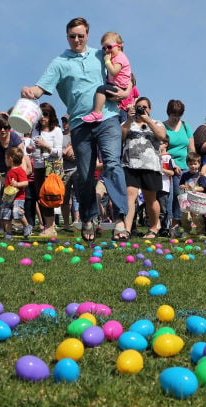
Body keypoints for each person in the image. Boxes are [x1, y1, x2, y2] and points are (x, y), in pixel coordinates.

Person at [21, 17, 129, 242]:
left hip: (108, 117)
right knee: (86, 174)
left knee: (112, 163)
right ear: (67, 37)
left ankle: (120, 218)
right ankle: (88, 218)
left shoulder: (102, 54)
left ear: (87, 35)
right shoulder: (60, 62)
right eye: (73, 36)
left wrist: (126, 93)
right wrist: (29, 89)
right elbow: (40, 88)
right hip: (80, 123)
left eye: (81, 35)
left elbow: (127, 74)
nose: (77, 39)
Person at [121, 97, 166, 240]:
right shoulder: (127, 123)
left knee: (150, 198)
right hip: (130, 165)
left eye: (144, 107)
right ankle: (127, 230)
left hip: (151, 166)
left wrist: (148, 121)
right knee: (130, 196)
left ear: (150, 109)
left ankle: (153, 228)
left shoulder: (157, 123)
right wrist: (128, 119)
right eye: (138, 107)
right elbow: (121, 137)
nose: (142, 109)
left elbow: (161, 136)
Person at [0, 113, 26, 234]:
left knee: (12, 201)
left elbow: (21, 160)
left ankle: (16, 227)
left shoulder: (15, 139)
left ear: (10, 127)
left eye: (6, 127)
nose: (3, 130)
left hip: (13, 172)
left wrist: (19, 178)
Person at [81, 31, 132, 123]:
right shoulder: (116, 57)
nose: (106, 50)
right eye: (104, 48)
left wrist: (107, 61)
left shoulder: (120, 58)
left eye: (109, 47)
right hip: (116, 84)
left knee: (101, 89)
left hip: (118, 87)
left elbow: (114, 72)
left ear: (119, 46)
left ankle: (97, 113)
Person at [31, 102, 63, 236]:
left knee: (48, 196)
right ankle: (49, 226)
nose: (43, 117)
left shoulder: (56, 130)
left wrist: (46, 146)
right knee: (41, 197)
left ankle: (50, 227)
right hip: (38, 166)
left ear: (51, 116)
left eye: (46, 114)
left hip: (51, 168)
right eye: (40, 114)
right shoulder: (35, 129)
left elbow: (59, 152)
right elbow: (33, 148)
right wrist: (30, 148)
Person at [163, 99, 195, 237]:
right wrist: (172, 164)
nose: (176, 118)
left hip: (186, 167)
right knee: (174, 197)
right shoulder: (162, 127)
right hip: (171, 167)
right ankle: (173, 224)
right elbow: (162, 148)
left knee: (184, 198)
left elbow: (191, 147)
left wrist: (193, 163)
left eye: (179, 115)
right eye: (173, 115)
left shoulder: (186, 126)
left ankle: (182, 224)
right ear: (168, 113)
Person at [1, 147, 32, 240]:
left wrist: (17, 184)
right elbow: (5, 183)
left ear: (10, 158)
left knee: (17, 212)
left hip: (18, 197)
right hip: (8, 198)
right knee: (5, 215)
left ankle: (27, 226)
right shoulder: (9, 171)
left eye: (6, 158)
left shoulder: (20, 170)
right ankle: (9, 233)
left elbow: (26, 182)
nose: (5, 160)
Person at [179, 152, 206, 236]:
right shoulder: (185, 175)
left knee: (197, 215)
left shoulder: (200, 175)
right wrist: (183, 186)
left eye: (195, 164)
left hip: (197, 199)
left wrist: (194, 188)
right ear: (187, 164)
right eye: (190, 164)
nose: (193, 166)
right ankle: (186, 230)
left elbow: (203, 188)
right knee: (185, 215)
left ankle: (200, 231)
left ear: (199, 164)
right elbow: (181, 185)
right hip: (186, 198)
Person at [60, 116, 81, 232]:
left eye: (67, 121)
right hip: (64, 170)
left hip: (77, 169)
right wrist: (66, 152)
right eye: (63, 121)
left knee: (80, 197)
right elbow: (58, 151)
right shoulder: (60, 135)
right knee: (64, 199)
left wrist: (71, 149)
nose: (64, 123)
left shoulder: (78, 134)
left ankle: (81, 222)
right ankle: (66, 225)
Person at [158, 136, 175, 236]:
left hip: (164, 187)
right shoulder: (155, 156)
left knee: (163, 209)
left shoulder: (168, 158)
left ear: (165, 144)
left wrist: (161, 169)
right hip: (153, 186)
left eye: (159, 143)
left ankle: (164, 228)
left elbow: (172, 173)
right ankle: (155, 227)